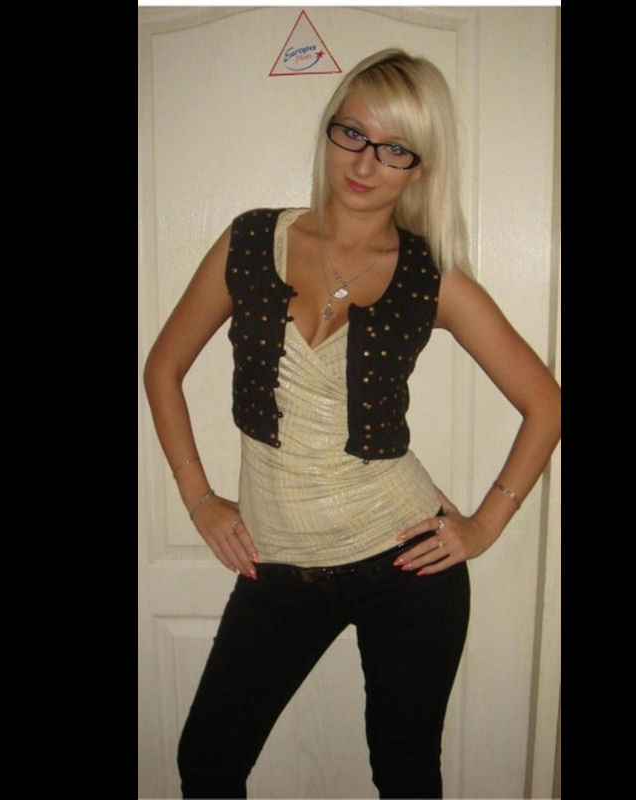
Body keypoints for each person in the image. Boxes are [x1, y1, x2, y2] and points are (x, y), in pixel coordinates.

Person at [143, 48, 561, 799]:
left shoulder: (432, 275)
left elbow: (546, 403)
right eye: (353, 133)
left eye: (396, 148)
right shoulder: (250, 241)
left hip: (407, 567)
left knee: (405, 776)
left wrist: (483, 526)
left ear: (421, 168)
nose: (367, 162)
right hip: (279, 567)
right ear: (329, 131)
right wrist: (198, 498)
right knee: (207, 762)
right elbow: (163, 367)